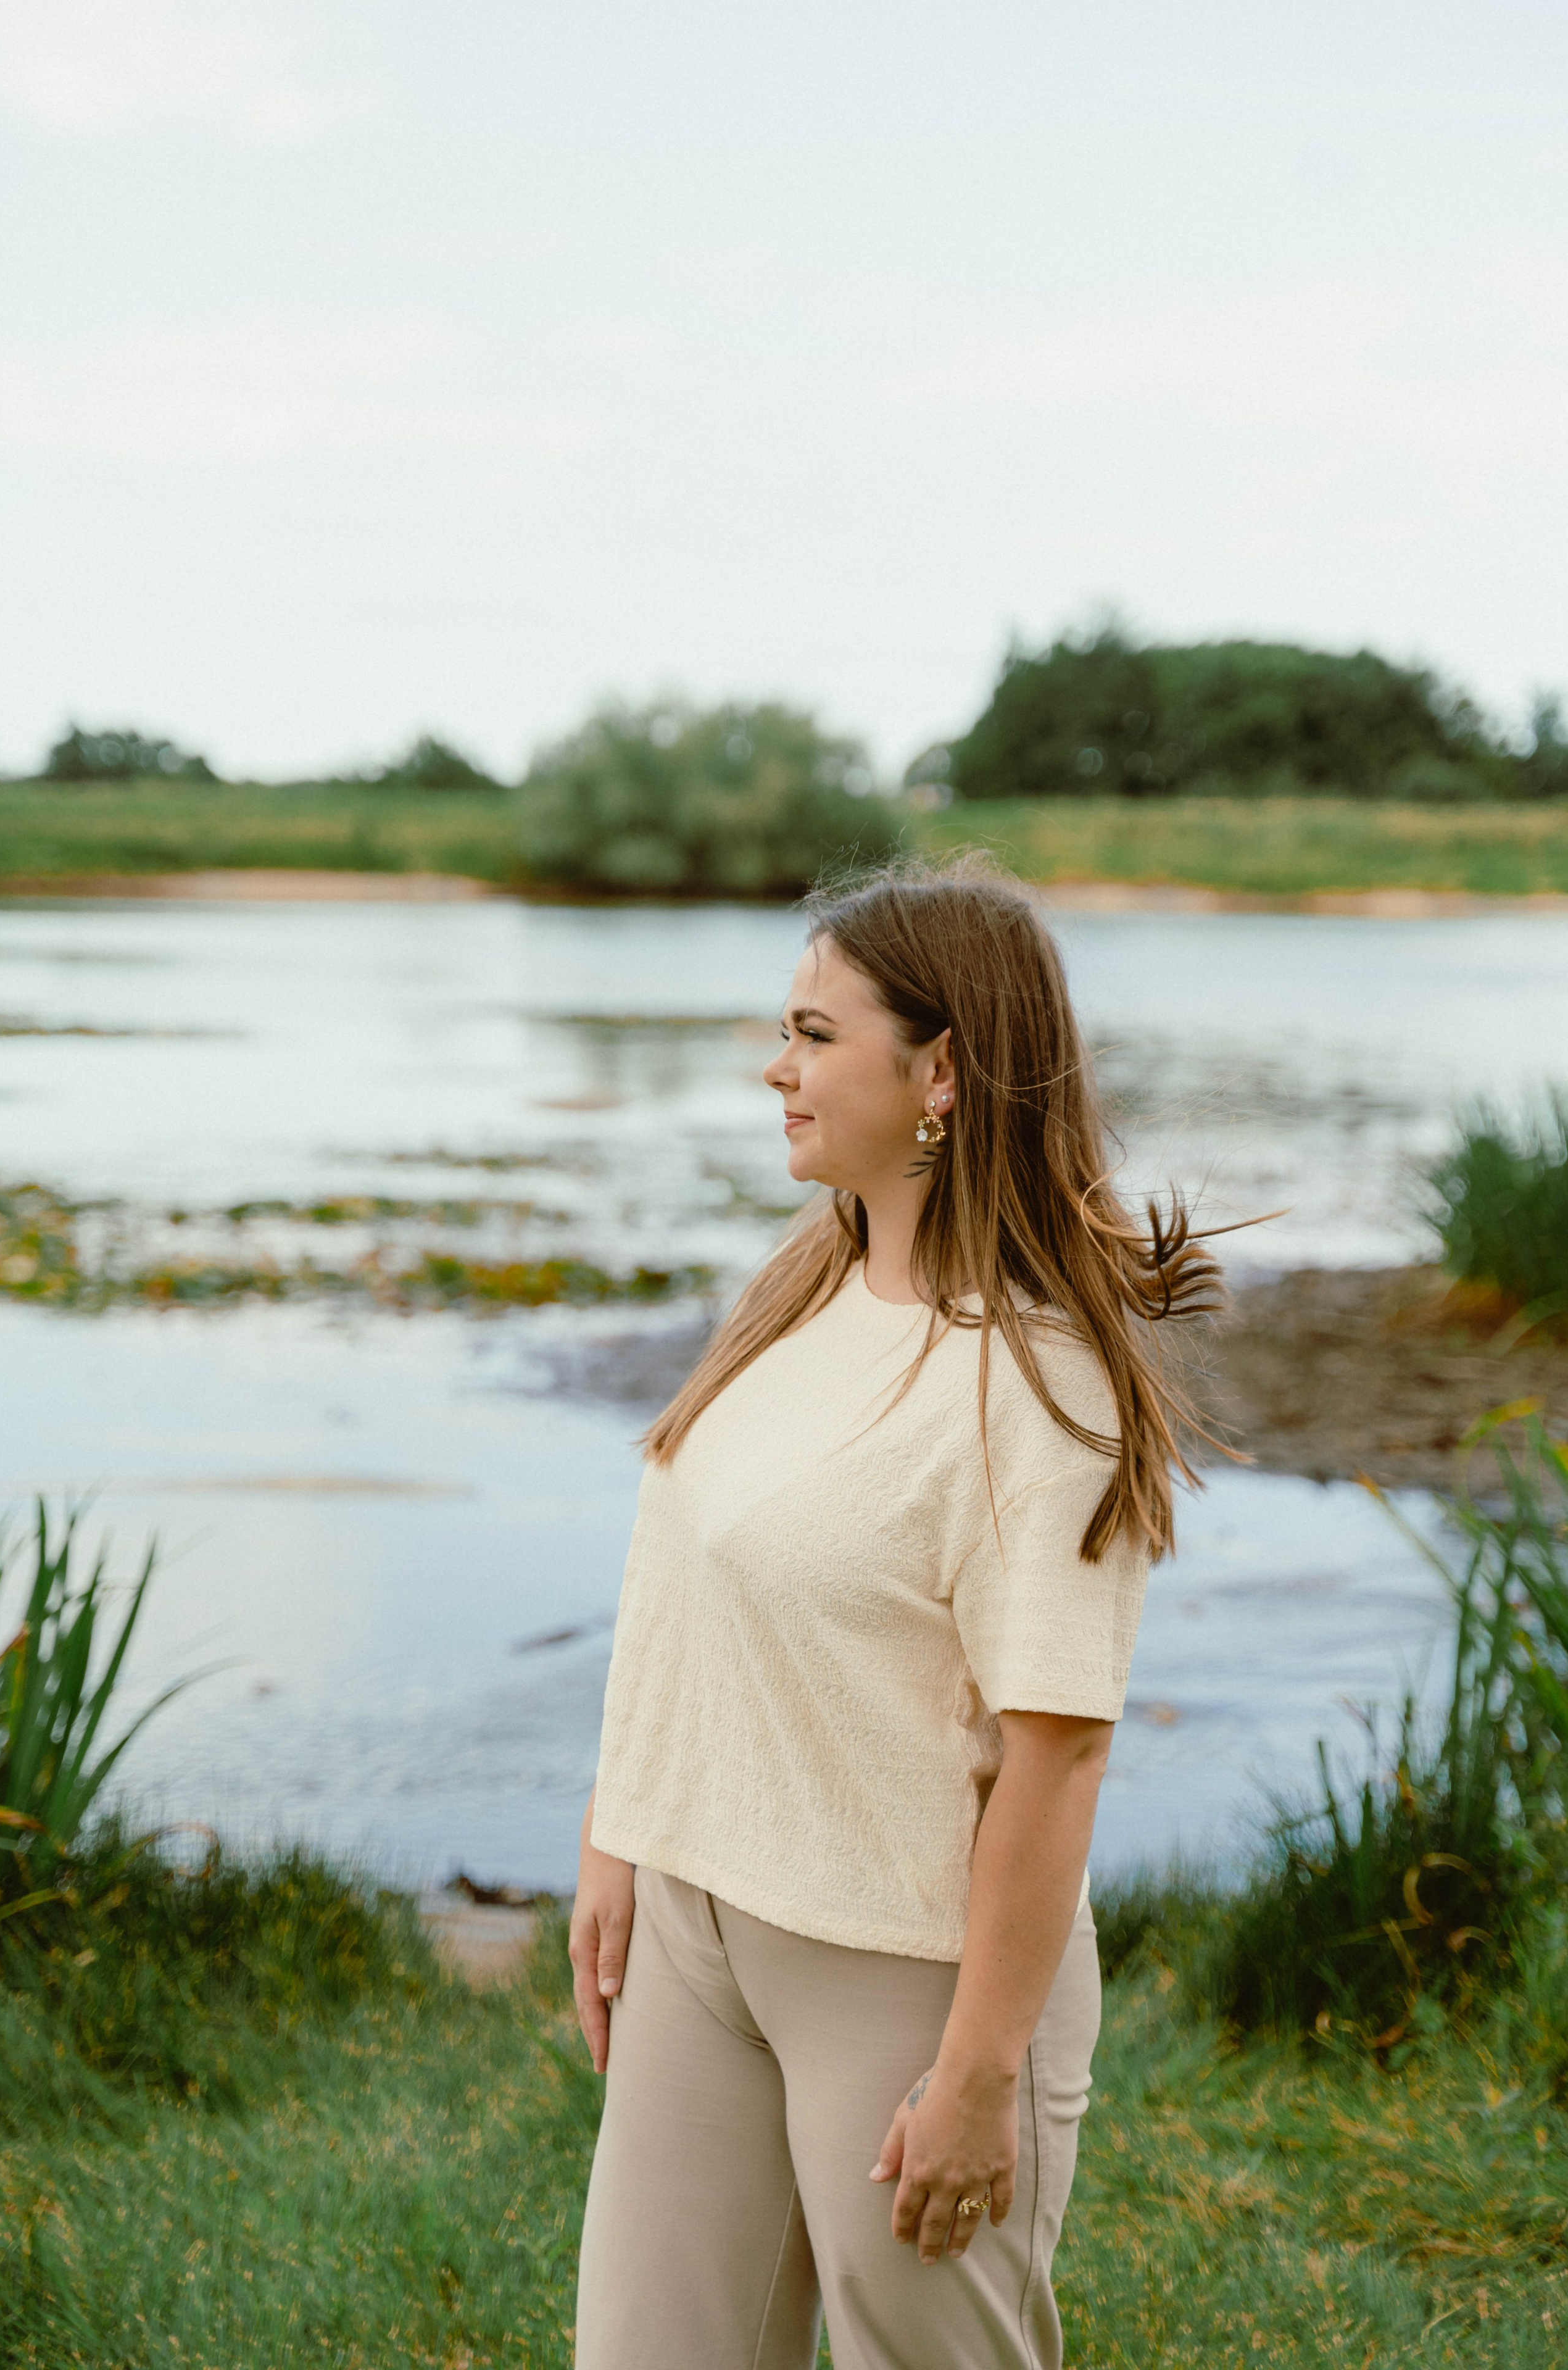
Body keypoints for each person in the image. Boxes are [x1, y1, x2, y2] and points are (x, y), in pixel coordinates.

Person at [568, 859, 1217, 2370]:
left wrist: (978, 2074)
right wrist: (622, 1828)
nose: (773, 1068)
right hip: (698, 1921)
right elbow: (678, 1587)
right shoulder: (804, 1287)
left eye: (809, 1033)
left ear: (939, 1070)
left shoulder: (1037, 1388)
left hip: (909, 1975)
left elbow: (1055, 1756)